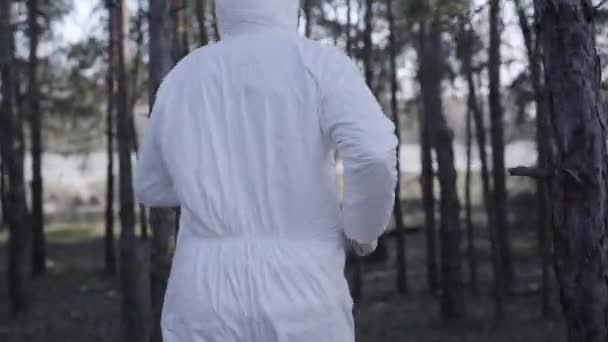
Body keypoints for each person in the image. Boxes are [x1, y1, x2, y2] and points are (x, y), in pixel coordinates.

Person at [134, 0, 397, 340]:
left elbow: (150, 185)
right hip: (303, 292)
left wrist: (208, 181)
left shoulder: (184, 76)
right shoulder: (319, 64)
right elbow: (374, 155)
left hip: (203, 295)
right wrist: (363, 229)